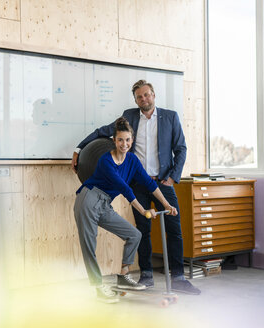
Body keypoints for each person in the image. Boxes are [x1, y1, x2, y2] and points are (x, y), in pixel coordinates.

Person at [72, 80, 201, 295]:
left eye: (147, 95)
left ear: (154, 95)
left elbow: (181, 149)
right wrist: (78, 148)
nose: (144, 99)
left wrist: (172, 179)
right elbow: (101, 132)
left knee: (174, 230)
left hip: (162, 182)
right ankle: (146, 275)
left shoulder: (170, 117)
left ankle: (178, 277)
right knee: (143, 230)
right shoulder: (128, 118)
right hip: (135, 186)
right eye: (140, 96)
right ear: (135, 100)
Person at [74, 117, 178, 303]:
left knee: (134, 235)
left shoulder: (132, 160)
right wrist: (145, 211)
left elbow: (149, 183)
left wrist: (167, 204)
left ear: (132, 140)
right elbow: (125, 189)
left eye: (128, 140)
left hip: (104, 203)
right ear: (114, 140)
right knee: (89, 245)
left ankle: (123, 276)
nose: (124, 144)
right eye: (120, 140)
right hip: (89, 199)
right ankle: (98, 288)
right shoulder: (106, 160)